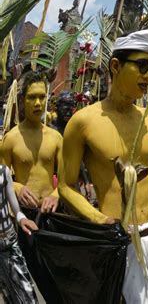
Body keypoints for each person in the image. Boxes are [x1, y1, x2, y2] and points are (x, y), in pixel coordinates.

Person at [59, 29, 148, 303]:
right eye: (141, 66)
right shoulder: (83, 122)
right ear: (115, 66)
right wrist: (99, 220)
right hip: (116, 238)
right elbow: (66, 187)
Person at [0, 71, 62, 302]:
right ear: (22, 101)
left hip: (52, 216)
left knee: (55, 276)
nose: (38, 103)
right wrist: (16, 187)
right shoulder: (11, 139)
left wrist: (56, 195)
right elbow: (1, 178)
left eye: (42, 97)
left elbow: (67, 179)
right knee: (21, 276)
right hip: (23, 218)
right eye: (32, 98)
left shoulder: (56, 138)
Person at [0, 164, 39, 303]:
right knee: (8, 295)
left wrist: (22, 219)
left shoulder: (3, 172)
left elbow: (16, 211)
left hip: (9, 240)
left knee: (27, 294)